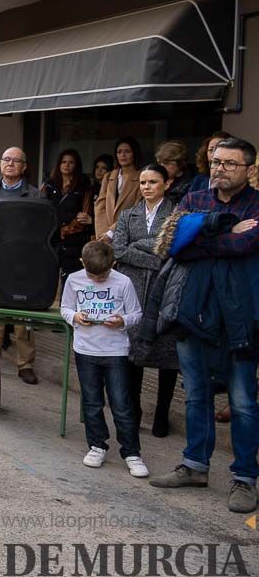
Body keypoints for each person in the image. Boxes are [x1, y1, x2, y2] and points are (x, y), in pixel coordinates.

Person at [150, 136, 259, 514]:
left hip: (241, 317)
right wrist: (224, 232)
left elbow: (247, 247)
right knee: (196, 396)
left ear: (249, 169)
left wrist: (202, 234)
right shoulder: (194, 199)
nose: (220, 169)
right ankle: (194, 466)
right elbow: (173, 244)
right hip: (192, 313)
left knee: (243, 402)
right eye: (216, 162)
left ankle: (245, 478)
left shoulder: (258, 205)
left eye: (230, 164)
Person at [61, 240, 148, 478]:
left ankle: (131, 452)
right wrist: (76, 317)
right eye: (92, 275)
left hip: (115, 350)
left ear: (114, 264)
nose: (98, 279)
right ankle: (97, 445)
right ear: (82, 263)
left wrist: (122, 321)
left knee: (121, 403)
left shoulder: (123, 282)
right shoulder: (74, 279)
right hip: (85, 349)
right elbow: (65, 308)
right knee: (91, 402)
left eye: (103, 274)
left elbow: (136, 314)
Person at [0, 147, 48, 384]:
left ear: (24, 167)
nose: (10, 164)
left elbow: (42, 231)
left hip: (23, 265)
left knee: (23, 316)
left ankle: (25, 364)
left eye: (16, 161)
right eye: (6, 159)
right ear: (0, 163)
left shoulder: (35, 196)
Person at [113, 164, 177, 438]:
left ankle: (162, 412)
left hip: (165, 286)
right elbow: (118, 250)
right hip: (134, 287)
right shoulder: (128, 215)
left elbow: (174, 249)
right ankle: (134, 409)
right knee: (133, 349)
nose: (146, 187)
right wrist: (153, 253)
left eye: (153, 182)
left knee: (166, 348)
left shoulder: (177, 214)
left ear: (166, 183)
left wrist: (137, 246)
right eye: (142, 182)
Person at [43, 149, 94, 279]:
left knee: (71, 280)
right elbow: (40, 210)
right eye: (63, 162)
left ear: (76, 165)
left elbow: (84, 215)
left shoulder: (84, 186)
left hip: (74, 242)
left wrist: (65, 230)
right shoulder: (49, 185)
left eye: (71, 162)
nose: (66, 165)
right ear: (59, 164)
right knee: (47, 279)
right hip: (51, 239)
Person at [94, 137, 143, 239]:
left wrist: (112, 232)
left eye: (127, 151)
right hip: (104, 235)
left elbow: (137, 209)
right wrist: (103, 233)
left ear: (135, 153)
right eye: (119, 152)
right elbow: (100, 207)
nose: (122, 155)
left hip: (127, 234)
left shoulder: (142, 177)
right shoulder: (108, 177)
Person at [156, 140, 195, 205]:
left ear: (180, 163)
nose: (162, 167)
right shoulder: (155, 178)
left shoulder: (192, 182)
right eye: (159, 163)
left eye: (167, 163)